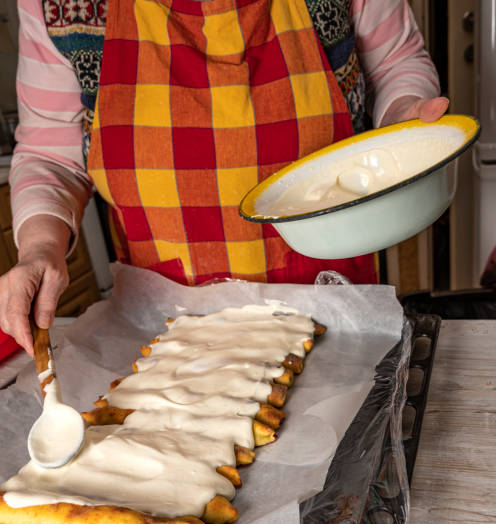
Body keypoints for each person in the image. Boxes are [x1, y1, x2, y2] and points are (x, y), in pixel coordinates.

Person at [0, 0, 448, 356]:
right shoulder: (59, 7)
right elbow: (50, 155)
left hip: (337, 312)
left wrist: (408, 116)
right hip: (170, 340)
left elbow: (396, 64)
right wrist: (40, 247)